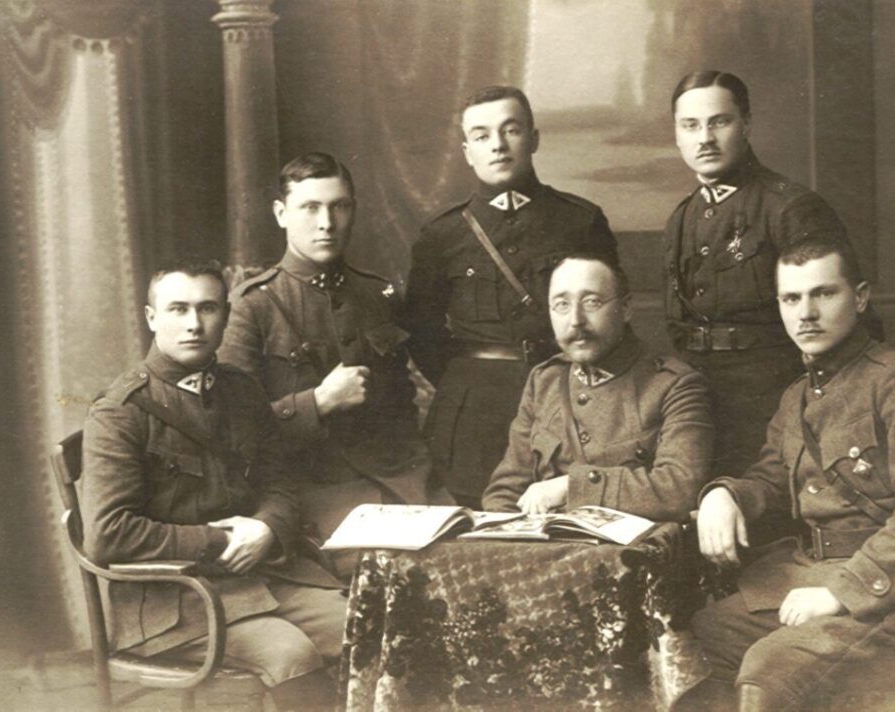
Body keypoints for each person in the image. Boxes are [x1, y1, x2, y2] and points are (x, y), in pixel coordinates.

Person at [679, 237, 895, 711]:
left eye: (824, 293)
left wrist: (841, 591)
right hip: (816, 575)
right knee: (707, 633)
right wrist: (724, 494)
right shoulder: (797, 396)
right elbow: (771, 478)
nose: (806, 313)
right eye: (791, 298)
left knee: (769, 667)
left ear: (860, 297)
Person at [82, 263, 345, 710]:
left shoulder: (241, 391)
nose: (193, 324)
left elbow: (280, 483)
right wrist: (220, 541)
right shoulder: (121, 412)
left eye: (207, 308)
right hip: (176, 601)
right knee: (291, 655)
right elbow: (108, 534)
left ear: (224, 315)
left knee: (366, 626)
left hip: (262, 579)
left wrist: (266, 528)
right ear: (151, 318)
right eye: (178, 309)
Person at [218, 153, 447, 565]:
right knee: (395, 571)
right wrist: (318, 403)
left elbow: (402, 405)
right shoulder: (252, 306)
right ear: (281, 214)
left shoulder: (377, 294)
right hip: (313, 493)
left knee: (468, 556)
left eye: (339, 206)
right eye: (310, 207)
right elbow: (235, 432)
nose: (327, 222)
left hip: (405, 481)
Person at [403, 85, 619, 509]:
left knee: (570, 510)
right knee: (476, 516)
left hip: (567, 395)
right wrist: (467, 380)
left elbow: (609, 315)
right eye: (481, 135)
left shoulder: (579, 221)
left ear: (533, 139)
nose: (498, 145)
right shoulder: (442, 235)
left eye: (511, 130)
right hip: (475, 411)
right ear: (467, 151)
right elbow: (421, 331)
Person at [663, 70, 851, 479]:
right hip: (697, 408)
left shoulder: (790, 209)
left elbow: (841, 325)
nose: (705, 138)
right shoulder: (682, 218)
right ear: (677, 135)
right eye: (690, 125)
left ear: (746, 125)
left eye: (719, 122)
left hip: (774, 404)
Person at [482, 255, 712, 520]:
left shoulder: (674, 385)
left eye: (592, 302)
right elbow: (504, 491)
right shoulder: (544, 380)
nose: (576, 320)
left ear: (626, 308)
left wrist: (571, 487)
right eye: (562, 305)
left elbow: (679, 489)